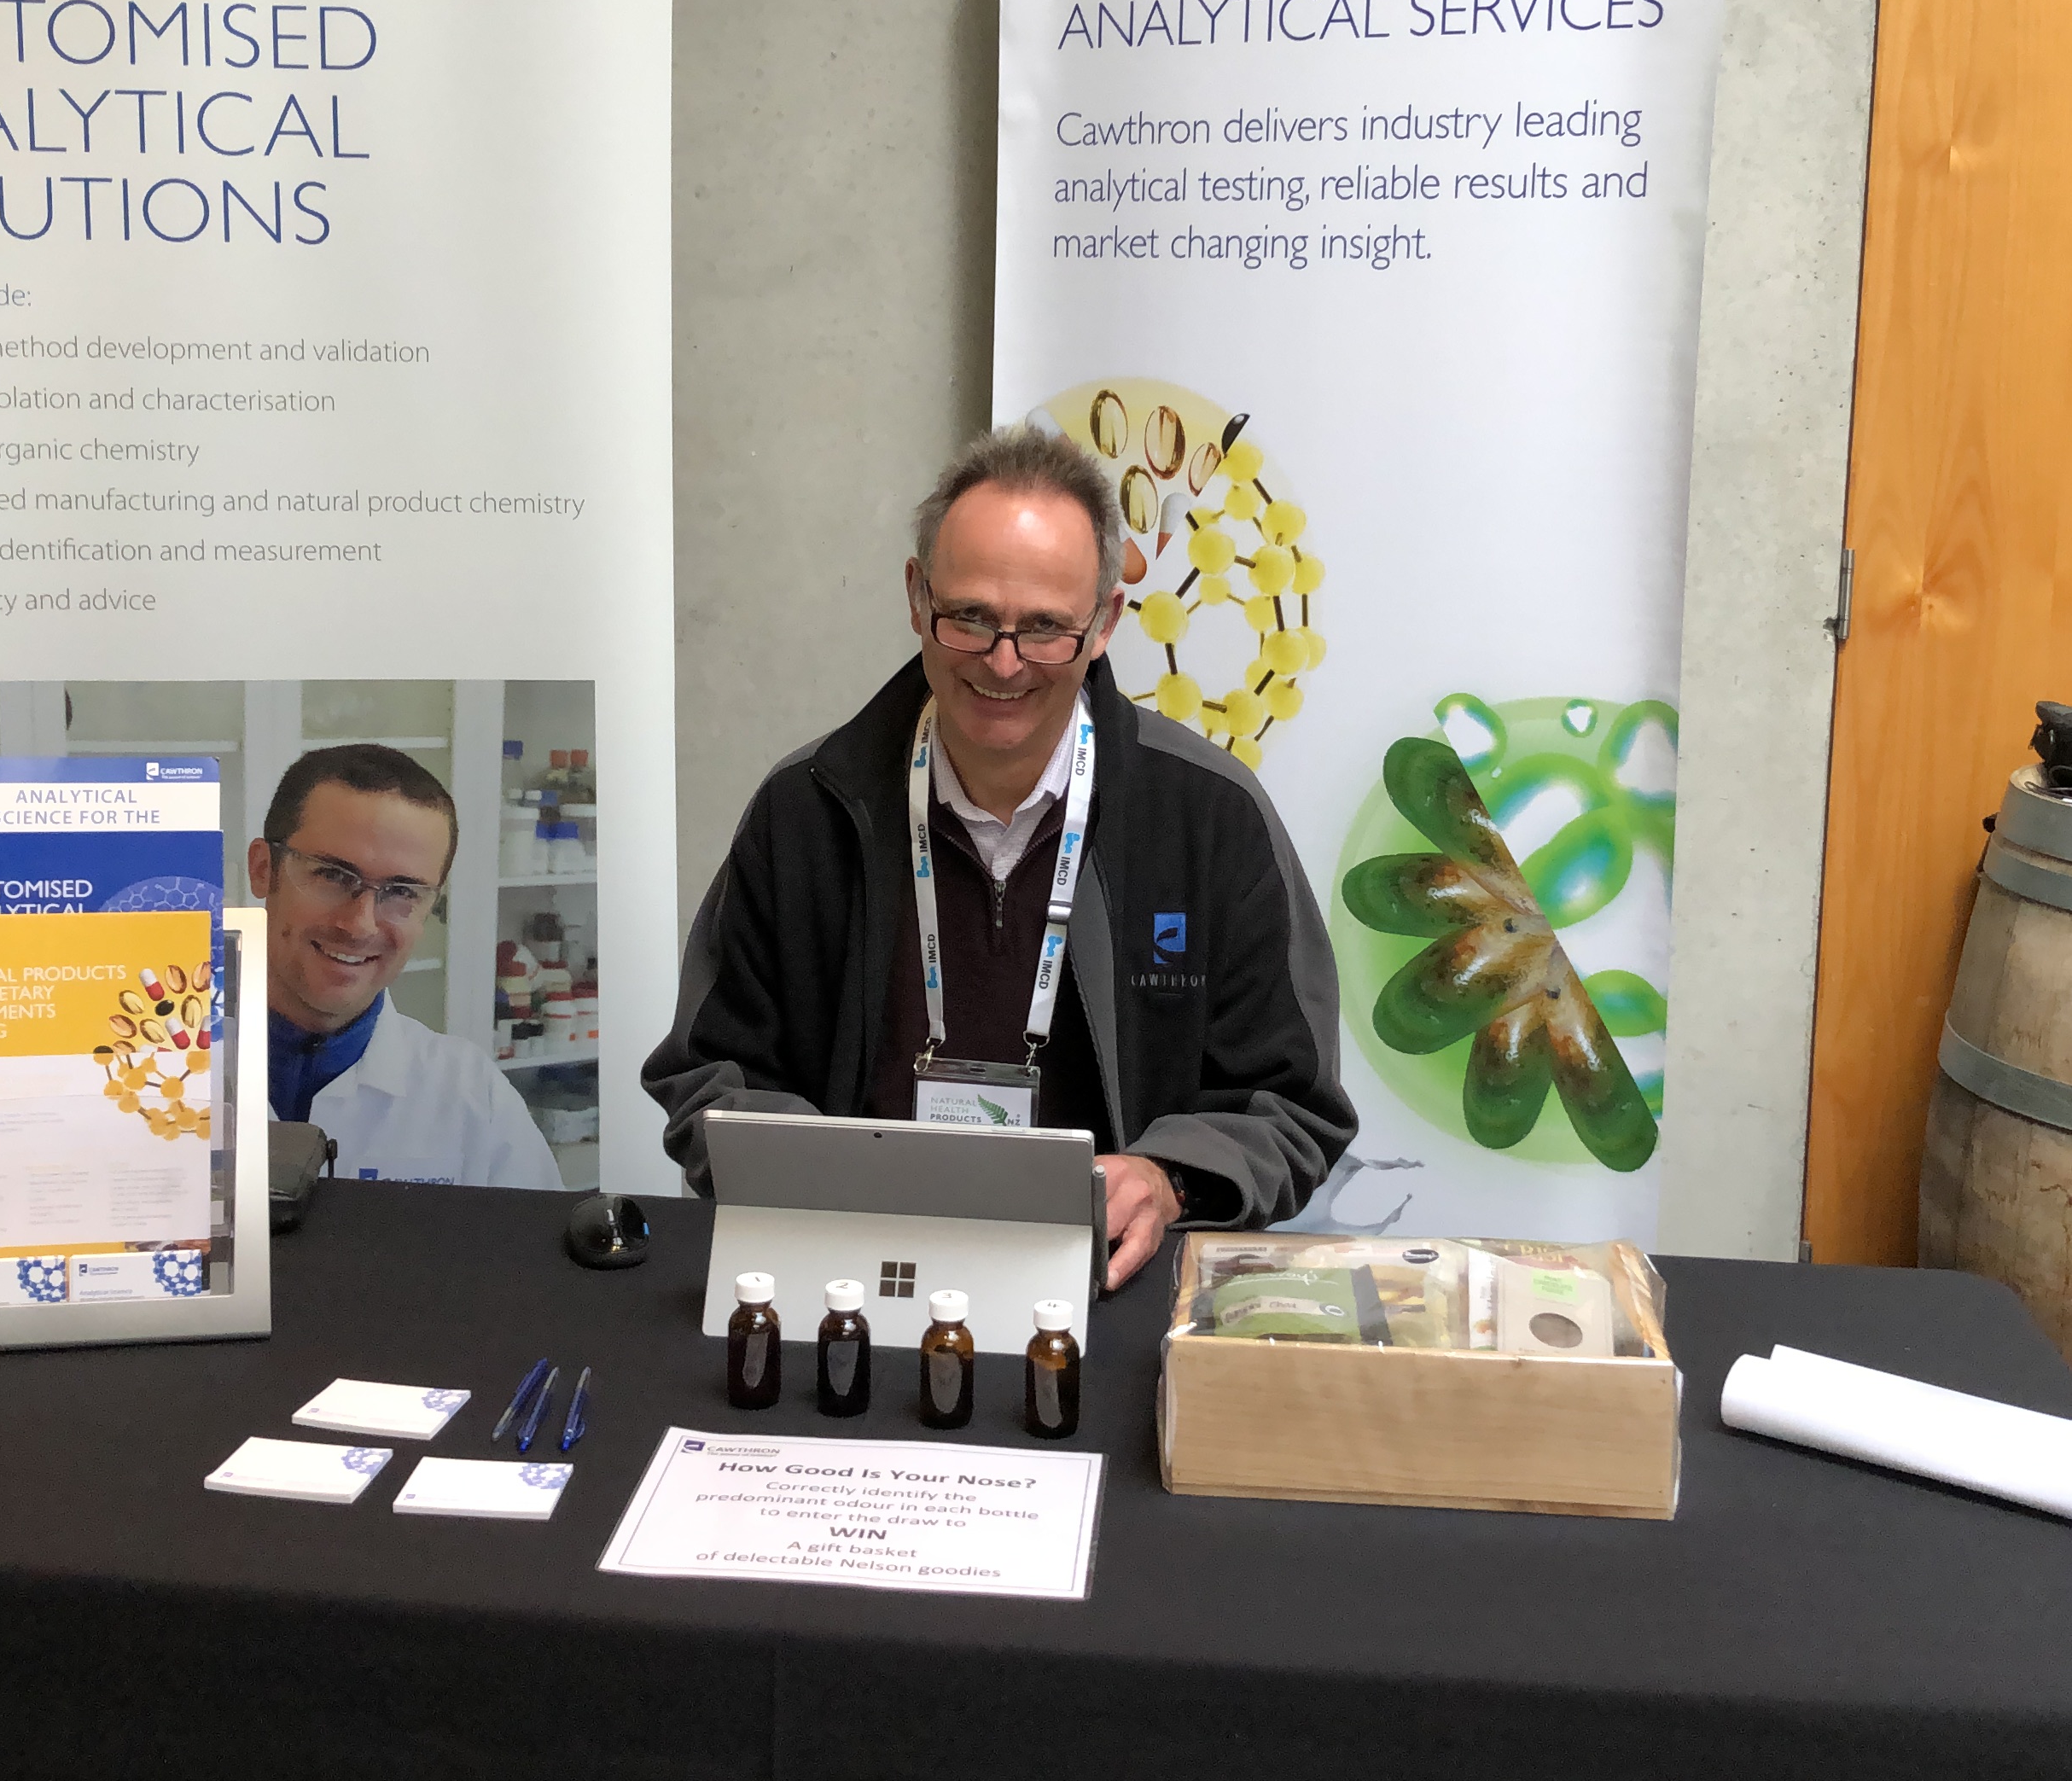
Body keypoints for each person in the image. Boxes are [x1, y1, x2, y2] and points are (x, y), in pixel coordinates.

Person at [646, 422, 1355, 1286]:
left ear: (1105, 623)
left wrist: (1169, 1178)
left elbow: (1292, 1107)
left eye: (1046, 628)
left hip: (1105, 1292)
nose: (1004, 663)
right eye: (971, 619)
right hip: (851, 1286)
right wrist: (821, 1182)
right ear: (918, 598)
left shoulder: (1211, 819)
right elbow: (710, 1074)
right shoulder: (807, 811)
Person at [247, 742, 560, 1190]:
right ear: (263, 869)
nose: (359, 925)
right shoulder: (155, 1070)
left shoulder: (474, 1100)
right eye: (332, 875)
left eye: (401, 892)